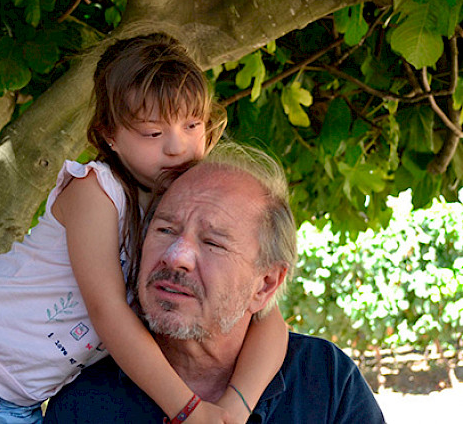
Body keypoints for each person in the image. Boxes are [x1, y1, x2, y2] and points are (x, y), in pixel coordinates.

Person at [0, 34, 288, 424]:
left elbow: (266, 317)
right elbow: (107, 310)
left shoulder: (178, 215)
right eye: (152, 132)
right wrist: (190, 411)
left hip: (9, 403)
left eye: (192, 125)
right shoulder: (96, 192)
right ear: (108, 135)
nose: (178, 147)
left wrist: (234, 407)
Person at [44, 142, 386, 424]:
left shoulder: (325, 380)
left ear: (265, 285)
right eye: (165, 229)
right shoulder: (83, 405)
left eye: (213, 243)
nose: (176, 256)